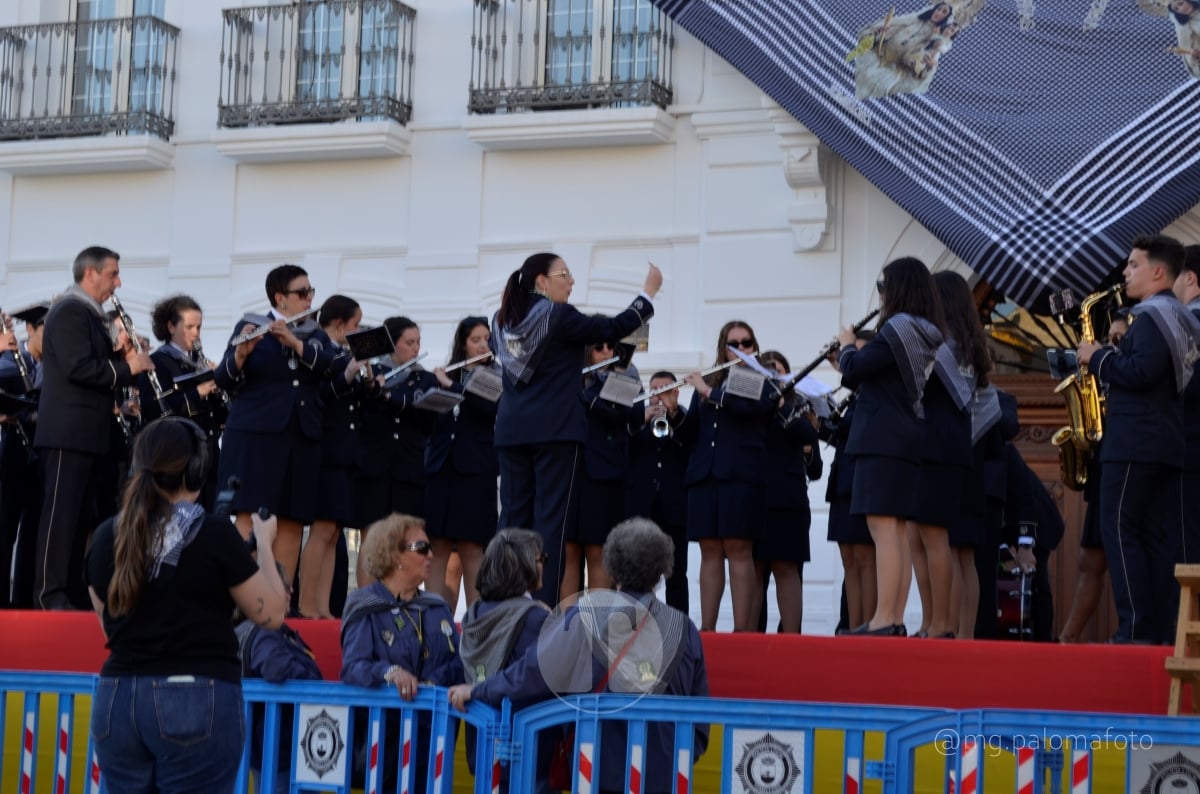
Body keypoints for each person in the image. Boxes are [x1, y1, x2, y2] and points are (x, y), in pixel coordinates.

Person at [84, 416, 289, 793]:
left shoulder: (104, 537)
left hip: (116, 697)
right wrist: (264, 544)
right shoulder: (213, 532)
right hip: (195, 698)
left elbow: (108, 621)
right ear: (194, 473)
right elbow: (272, 613)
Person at [449, 518, 709, 794]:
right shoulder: (685, 629)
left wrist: (480, 690)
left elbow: (533, 672)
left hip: (599, 773)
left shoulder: (586, 617)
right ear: (661, 572)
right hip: (665, 775)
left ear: (611, 567)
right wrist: (674, 759)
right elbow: (700, 713)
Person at [492, 254, 659, 605]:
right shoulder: (559, 316)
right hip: (555, 432)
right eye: (565, 275)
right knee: (551, 524)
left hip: (511, 431)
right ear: (541, 281)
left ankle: (502, 604)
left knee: (511, 521)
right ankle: (542, 610)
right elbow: (613, 328)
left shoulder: (502, 320)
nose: (571, 282)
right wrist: (647, 295)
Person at [1077, 234, 1200, 643]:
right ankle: (1159, 629)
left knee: (1120, 529)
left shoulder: (1151, 316)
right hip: (1165, 443)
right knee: (1154, 537)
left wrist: (1097, 357)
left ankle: (1134, 629)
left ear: (1158, 271)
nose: (1126, 272)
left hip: (1135, 442)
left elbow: (1141, 372)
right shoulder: (1179, 316)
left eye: (1133, 265)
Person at [34, 246, 153, 610]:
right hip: (68, 431)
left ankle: (68, 592)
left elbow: (94, 368)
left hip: (87, 432)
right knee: (60, 518)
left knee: (78, 519)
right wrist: (126, 368)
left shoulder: (90, 315)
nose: (118, 283)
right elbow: (78, 368)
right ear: (90, 274)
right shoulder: (70, 310)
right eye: (113, 274)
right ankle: (48, 594)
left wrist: (121, 355)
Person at [837, 257, 945, 636]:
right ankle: (893, 618)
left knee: (883, 530)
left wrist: (847, 346)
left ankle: (885, 617)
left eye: (884, 287)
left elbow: (853, 371)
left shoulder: (898, 328)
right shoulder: (924, 329)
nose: (881, 295)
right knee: (895, 530)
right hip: (903, 434)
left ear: (898, 289)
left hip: (882, 434)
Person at [214, 264, 338, 587]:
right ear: (280, 298)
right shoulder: (251, 324)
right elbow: (223, 379)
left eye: (311, 292)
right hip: (257, 437)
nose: (309, 298)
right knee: (252, 517)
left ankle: (279, 601)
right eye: (302, 293)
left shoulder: (315, 334)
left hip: (301, 437)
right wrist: (241, 354)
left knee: (293, 521)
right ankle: (242, 598)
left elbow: (332, 368)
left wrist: (295, 343)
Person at [340, 513, 463, 792]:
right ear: (394, 555)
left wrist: (431, 683)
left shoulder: (437, 606)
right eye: (421, 548)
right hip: (385, 740)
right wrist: (390, 673)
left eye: (430, 548)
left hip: (434, 736)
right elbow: (353, 666)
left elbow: (459, 662)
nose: (431, 554)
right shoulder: (364, 604)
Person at [677, 321, 781, 632]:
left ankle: (742, 630)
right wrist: (672, 412)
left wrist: (709, 392)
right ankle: (707, 629)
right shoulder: (709, 380)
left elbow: (753, 410)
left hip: (742, 476)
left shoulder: (762, 380)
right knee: (709, 550)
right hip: (705, 475)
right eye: (733, 344)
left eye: (746, 343)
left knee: (738, 548)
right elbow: (691, 433)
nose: (740, 349)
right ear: (723, 347)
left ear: (755, 347)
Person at [908, 270, 982, 640]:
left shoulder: (948, 345)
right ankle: (928, 618)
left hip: (939, 445)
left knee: (935, 536)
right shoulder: (959, 341)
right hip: (935, 444)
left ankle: (943, 623)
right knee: (915, 536)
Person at [452, 528, 552, 793]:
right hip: (525, 751)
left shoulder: (473, 615)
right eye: (541, 559)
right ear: (527, 567)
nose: (544, 566)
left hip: (481, 745)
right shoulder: (535, 620)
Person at [354, 316, 440, 585]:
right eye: (408, 342)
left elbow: (429, 422)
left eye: (418, 342)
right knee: (372, 537)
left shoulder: (424, 378)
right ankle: (367, 602)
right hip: (375, 467)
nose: (415, 348)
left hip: (408, 468)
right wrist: (371, 388)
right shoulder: (371, 374)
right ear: (392, 344)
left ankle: (405, 597)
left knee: (408, 537)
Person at [424, 316, 502, 607]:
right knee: (438, 545)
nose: (483, 345)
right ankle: (432, 617)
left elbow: (487, 408)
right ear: (463, 344)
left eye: (487, 340)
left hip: (475, 471)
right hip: (442, 468)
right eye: (476, 340)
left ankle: (477, 622)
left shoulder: (494, 376)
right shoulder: (450, 374)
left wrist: (451, 387)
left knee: (472, 547)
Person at [297, 294, 363, 618]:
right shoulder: (319, 349)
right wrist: (348, 373)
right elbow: (319, 394)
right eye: (355, 325)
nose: (358, 331)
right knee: (322, 530)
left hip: (343, 451)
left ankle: (324, 608)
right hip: (324, 450)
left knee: (334, 532)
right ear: (339, 324)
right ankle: (307, 604)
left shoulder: (338, 352)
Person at [235, 562, 324, 793]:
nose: (291, 591)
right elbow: (276, 667)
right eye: (285, 585)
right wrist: (315, 683)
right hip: (278, 749)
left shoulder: (259, 629)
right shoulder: (263, 631)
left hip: (280, 747)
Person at [755, 350, 822, 633]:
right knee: (755, 570)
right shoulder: (753, 405)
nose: (774, 375)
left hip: (788, 498)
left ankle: (790, 636)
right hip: (756, 496)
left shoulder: (798, 405)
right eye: (768, 371)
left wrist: (783, 406)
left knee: (787, 568)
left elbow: (815, 465)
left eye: (779, 371)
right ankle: (750, 635)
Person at [570, 339, 643, 595]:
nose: (606, 352)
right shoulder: (572, 377)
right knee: (568, 550)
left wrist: (612, 383)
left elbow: (631, 418)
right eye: (598, 347)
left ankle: (599, 626)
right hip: (570, 471)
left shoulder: (624, 376)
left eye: (611, 347)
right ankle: (566, 625)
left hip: (605, 476)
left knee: (598, 549)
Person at [139, 294, 226, 508]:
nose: (196, 334)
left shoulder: (199, 362)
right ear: (171, 327)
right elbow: (156, 410)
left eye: (199, 327)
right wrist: (198, 391)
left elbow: (219, 415)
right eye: (189, 327)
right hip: (182, 458)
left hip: (209, 452)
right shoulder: (158, 362)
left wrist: (219, 387)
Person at [626, 371, 690, 612]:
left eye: (665, 390)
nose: (659, 396)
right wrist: (640, 420)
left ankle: (678, 626)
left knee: (676, 574)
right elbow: (624, 450)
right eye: (654, 391)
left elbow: (689, 454)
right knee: (638, 572)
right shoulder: (635, 420)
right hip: (641, 507)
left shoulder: (683, 420)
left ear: (675, 393)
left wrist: (673, 420)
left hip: (674, 508)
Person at [825, 333, 877, 635]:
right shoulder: (855, 392)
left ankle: (868, 626)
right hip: (844, 477)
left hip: (864, 477)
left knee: (866, 557)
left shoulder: (872, 389)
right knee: (849, 558)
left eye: (856, 354)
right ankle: (853, 627)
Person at [0, 302, 46, 608]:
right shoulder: (7, 364)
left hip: (33, 455)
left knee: (32, 534)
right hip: (8, 454)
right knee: (4, 533)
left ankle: (23, 605)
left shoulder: (36, 365)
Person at [1174, 246, 1200, 564]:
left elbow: (1185, 387)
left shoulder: (1187, 325)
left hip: (1189, 449)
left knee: (1186, 551)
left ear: (1190, 277)